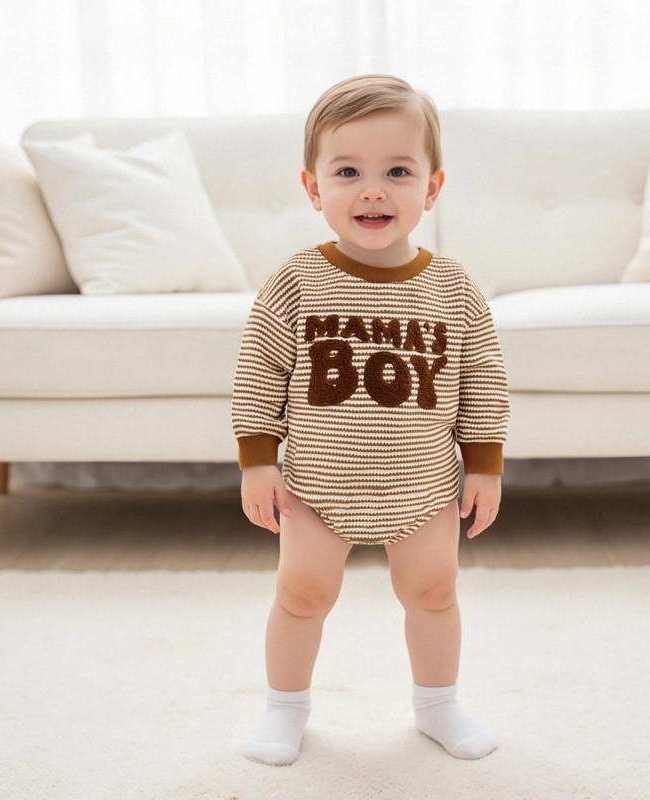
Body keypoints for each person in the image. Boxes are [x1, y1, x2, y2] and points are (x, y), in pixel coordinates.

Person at [231, 74, 510, 766]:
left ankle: (438, 703)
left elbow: (482, 379)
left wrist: (485, 466)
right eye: (348, 172)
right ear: (313, 187)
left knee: (433, 592)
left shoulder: (453, 287)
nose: (373, 191)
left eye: (398, 172)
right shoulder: (297, 280)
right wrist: (257, 460)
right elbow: (259, 370)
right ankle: (284, 710)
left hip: (423, 486)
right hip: (316, 486)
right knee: (301, 595)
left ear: (433, 188)